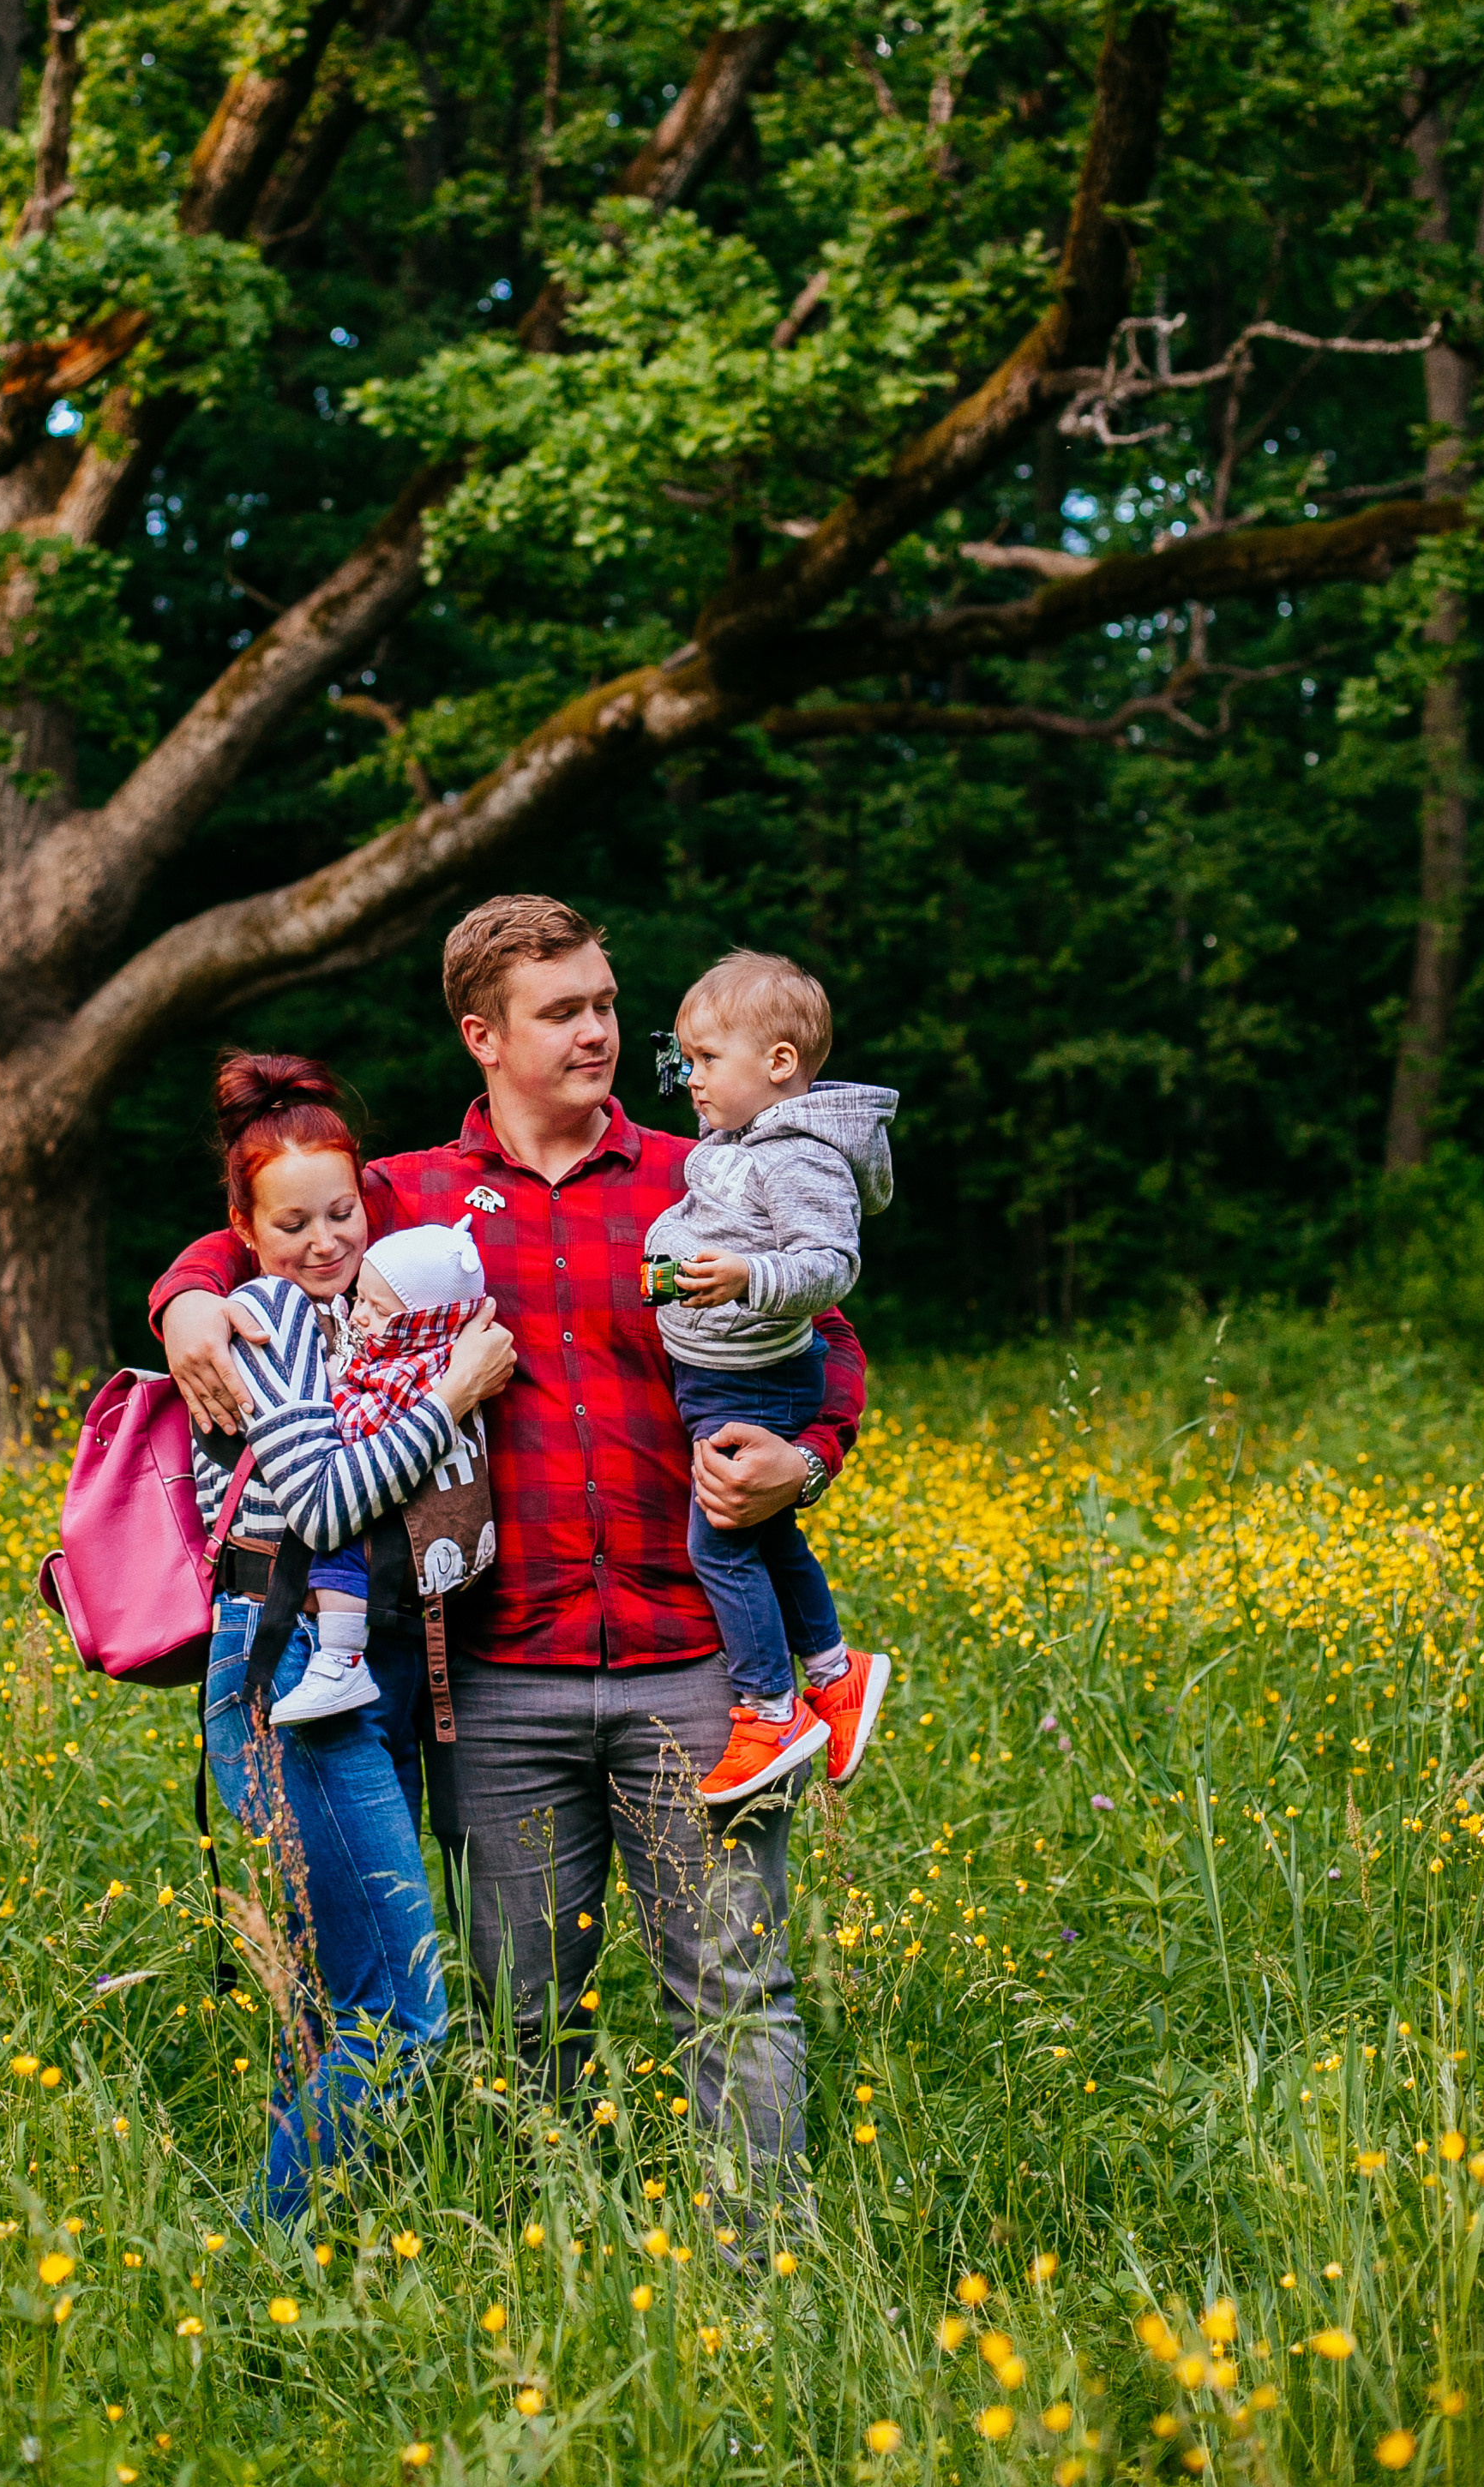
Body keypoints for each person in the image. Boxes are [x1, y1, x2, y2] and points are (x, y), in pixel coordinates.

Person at [154, 897, 867, 2186]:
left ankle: (769, 2277)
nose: (600, 1030)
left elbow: (830, 1339)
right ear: (482, 1033)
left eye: (606, 1002)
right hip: (494, 1684)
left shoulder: (703, 1172)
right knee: (522, 2012)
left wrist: (803, 1455)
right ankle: (557, 2259)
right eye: (564, 1010)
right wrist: (189, 1298)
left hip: (697, 1667)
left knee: (735, 1990)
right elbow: (263, 1215)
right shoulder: (409, 1195)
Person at [195, 1051, 515, 2217]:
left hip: (357, 1670)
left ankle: (320, 2254)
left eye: (342, 1211)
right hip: (286, 1671)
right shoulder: (264, 1319)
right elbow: (327, 1504)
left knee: (331, 1996)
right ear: (243, 1226)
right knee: (405, 2008)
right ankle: (253, 2256)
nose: (323, 1238)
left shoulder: (356, 1312)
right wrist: (450, 1397)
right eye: (291, 1220)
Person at [642, 948, 897, 1805]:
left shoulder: (798, 1154)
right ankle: (833, 1668)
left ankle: (769, 1707)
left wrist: (748, 1276)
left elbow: (828, 1263)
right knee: (762, 1535)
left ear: (779, 1063)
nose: (689, 1078)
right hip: (720, 1375)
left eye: (706, 1059)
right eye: (684, 1059)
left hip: (756, 1382)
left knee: (715, 1540)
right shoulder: (739, 1141)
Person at [269, 1215, 490, 1727]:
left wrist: (325, 1389)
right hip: (410, 1528)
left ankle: (341, 1660)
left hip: (401, 1520)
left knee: (339, 1548)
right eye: (361, 1300)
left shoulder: (421, 1365)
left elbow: (360, 1429)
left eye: (378, 1308)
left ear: (422, 1321)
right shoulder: (406, 1348)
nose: (360, 1315)